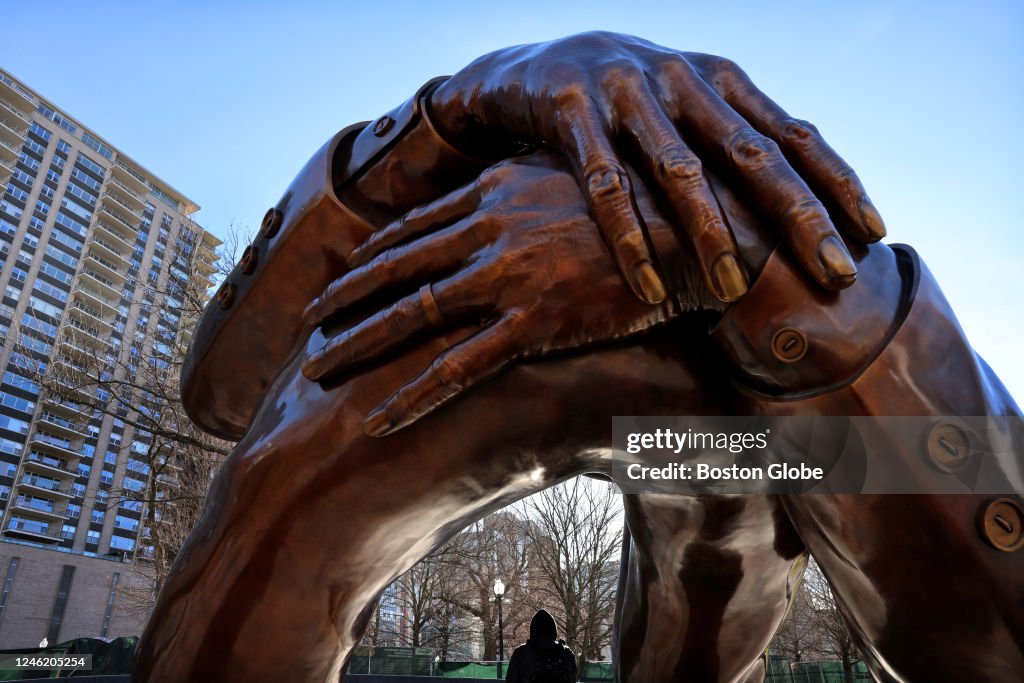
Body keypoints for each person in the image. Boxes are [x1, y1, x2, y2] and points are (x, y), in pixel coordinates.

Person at [136, 34, 1023, 683]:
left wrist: (755, 264)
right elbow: (222, 390)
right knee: (304, 475)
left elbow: (993, 646)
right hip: (731, 432)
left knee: (729, 513)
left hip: (721, 441)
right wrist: (453, 109)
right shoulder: (486, 162)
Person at [505, 610, 577, 683]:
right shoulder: (567, 653)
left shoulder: (521, 653)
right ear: (554, 630)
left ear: (533, 629)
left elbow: (511, 680)